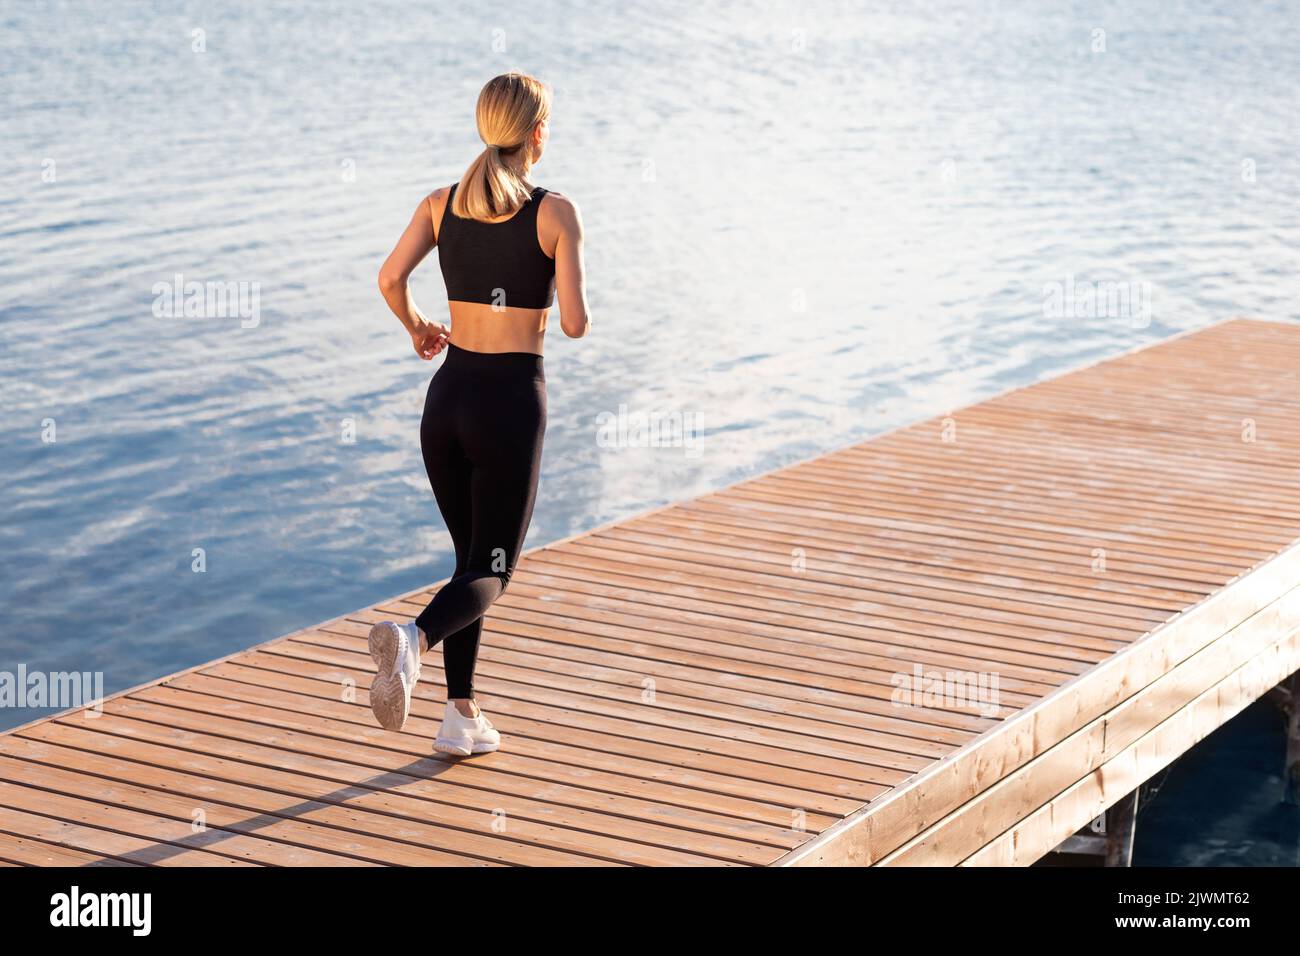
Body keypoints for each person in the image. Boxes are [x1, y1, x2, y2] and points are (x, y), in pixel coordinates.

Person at [372, 72, 591, 755]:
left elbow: (388, 279)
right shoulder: (556, 213)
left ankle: (459, 718)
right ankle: (414, 639)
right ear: (535, 134)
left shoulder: (441, 204)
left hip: (447, 401)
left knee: (471, 560)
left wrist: (417, 328)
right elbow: (577, 325)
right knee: (494, 568)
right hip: (508, 404)